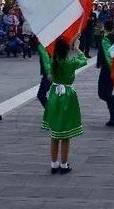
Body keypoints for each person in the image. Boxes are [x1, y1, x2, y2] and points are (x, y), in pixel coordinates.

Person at [38, 38, 87, 174]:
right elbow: (84, 60)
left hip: (54, 96)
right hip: (67, 96)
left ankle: (54, 164)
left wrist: (43, 44)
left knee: (54, 134)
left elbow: (43, 52)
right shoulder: (70, 62)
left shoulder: (51, 64)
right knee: (65, 135)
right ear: (66, 51)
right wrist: (77, 48)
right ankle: (64, 165)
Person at [97, 20, 114, 126]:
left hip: (108, 69)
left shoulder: (105, 39)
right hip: (113, 68)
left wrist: (112, 70)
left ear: (104, 27)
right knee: (107, 93)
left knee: (102, 94)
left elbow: (108, 56)